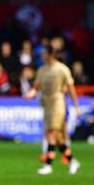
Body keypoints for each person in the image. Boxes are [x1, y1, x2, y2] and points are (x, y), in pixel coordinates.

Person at [24, 45, 81, 175]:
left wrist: (76, 106)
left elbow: (71, 89)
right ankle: (73, 161)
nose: (43, 56)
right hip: (46, 103)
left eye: (45, 54)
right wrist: (30, 94)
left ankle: (48, 165)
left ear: (51, 55)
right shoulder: (42, 70)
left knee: (51, 133)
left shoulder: (62, 69)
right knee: (59, 137)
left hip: (58, 102)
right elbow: (36, 88)